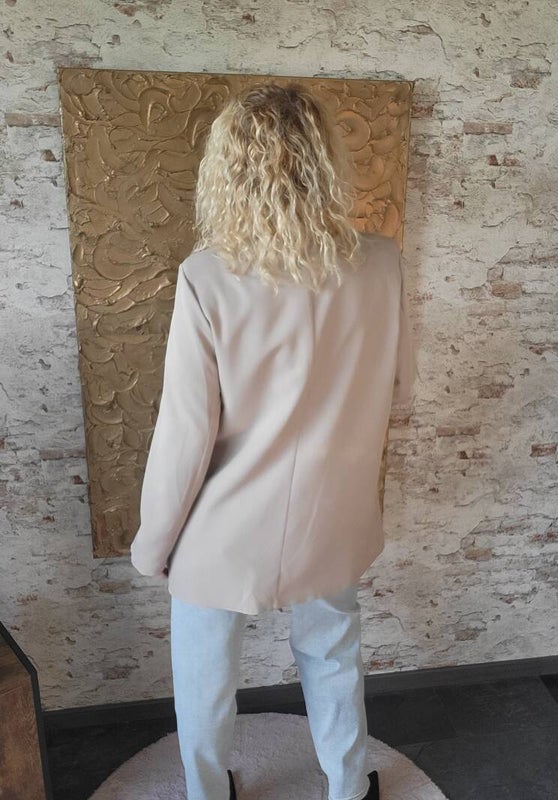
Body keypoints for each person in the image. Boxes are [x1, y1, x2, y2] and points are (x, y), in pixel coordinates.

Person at [130, 81, 417, 800]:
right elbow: (398, 388)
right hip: (333, 508)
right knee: (333, 652)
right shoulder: (381, 262)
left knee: (204, 669)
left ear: (228, 169)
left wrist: (153, 543)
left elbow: (186, 432)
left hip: (224, 524)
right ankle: (349, 787)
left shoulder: (206, 277)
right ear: (327, 160)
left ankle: (208, 792)